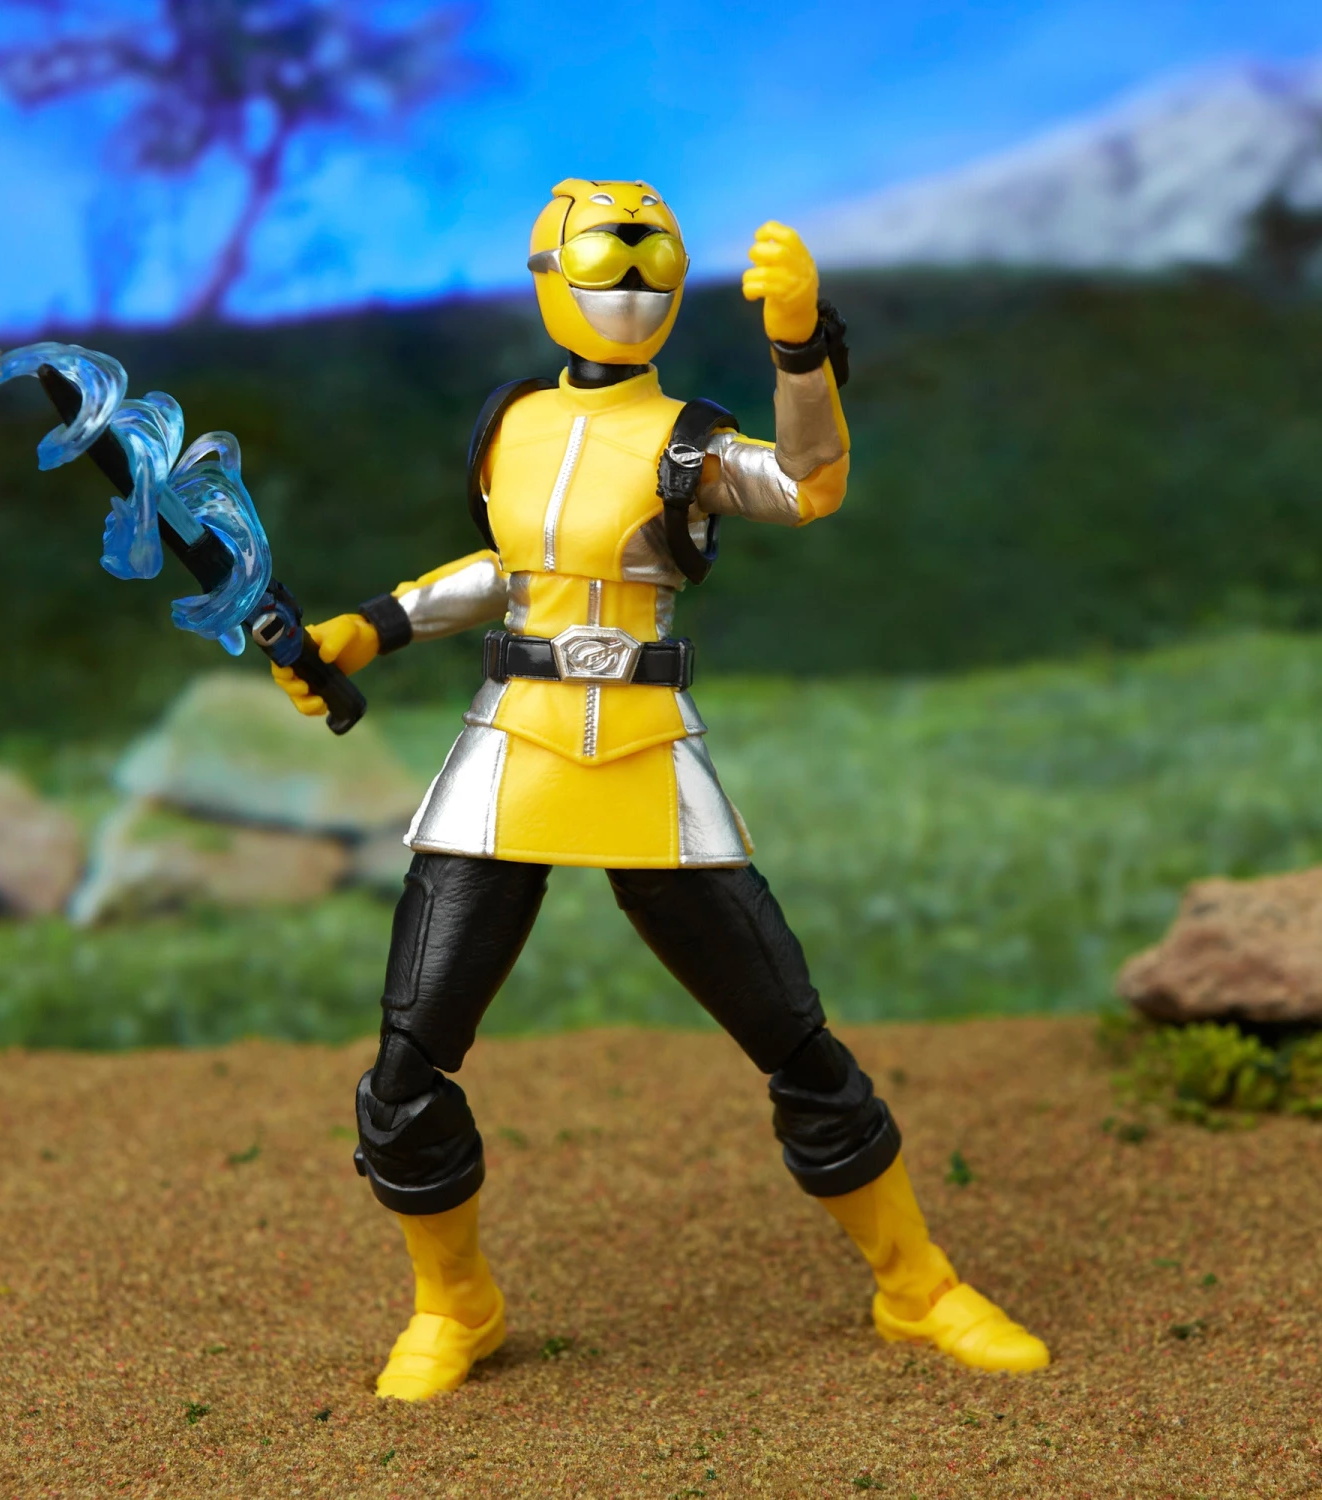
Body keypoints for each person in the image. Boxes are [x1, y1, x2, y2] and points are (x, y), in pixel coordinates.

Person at [272, 179, 1050, 1400]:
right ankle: (455, 1304)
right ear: (548, 277)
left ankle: (917, 1284)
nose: (630, 282)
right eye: (605, 260)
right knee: (407, 1065)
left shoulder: (690, 438)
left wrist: (799, 348)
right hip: (511, 751)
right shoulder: (511, 422)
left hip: (645, 750)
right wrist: (371, 627)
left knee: (792, 1038)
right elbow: (510, 570)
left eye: (653, 263)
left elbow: (808, 484)